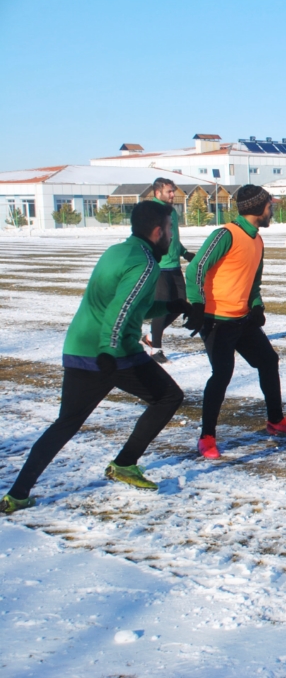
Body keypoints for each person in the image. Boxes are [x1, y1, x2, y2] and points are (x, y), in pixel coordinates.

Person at [2, 201, 187, 515]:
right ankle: (124, 464)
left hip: (80, 347)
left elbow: (130, 306)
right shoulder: (145, 263)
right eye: (170, 229)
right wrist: (107, 349)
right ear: (158, 232)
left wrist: (175, 307)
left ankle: (17, 495)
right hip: (112, 354)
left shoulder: (117, 251)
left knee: (66, 423)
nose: (172, 236)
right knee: (169, 396)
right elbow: (121, 310)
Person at [184, 185, 286, 460]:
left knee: (268, 361)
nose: (271, 210)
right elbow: (196, 268)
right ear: (257, 208)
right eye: (269, 206)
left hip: (243, 318)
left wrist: (256, 305)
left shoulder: (257, 240)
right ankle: (207, 436)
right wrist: (196, 304)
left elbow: (254, 281)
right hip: (217, 320)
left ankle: (276, 420)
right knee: (222, 374)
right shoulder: (225, 234)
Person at [148, 178, 195, 364]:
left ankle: (152, 336)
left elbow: (171, 236)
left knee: (181, 303)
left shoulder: (171, 211)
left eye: (173, 191)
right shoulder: (152, 211)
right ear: (157, 193)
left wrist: (184, 252)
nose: (173, 194)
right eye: (169, 191)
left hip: (174, 265)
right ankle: (156, 350)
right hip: (160, 267)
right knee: (162, 307)